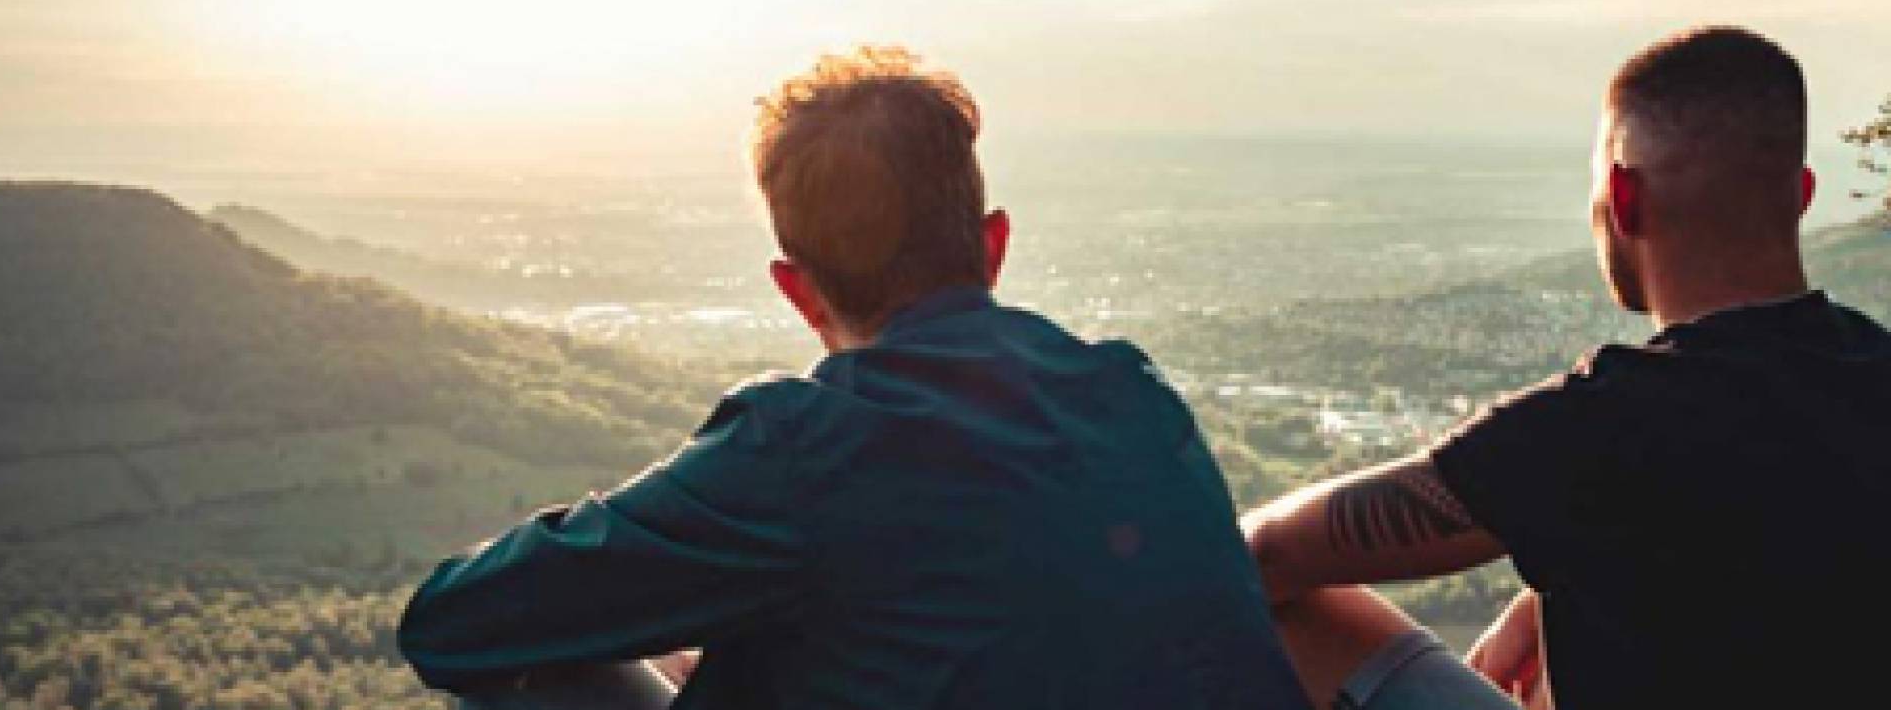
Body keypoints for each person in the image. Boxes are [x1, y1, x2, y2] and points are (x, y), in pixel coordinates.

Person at [395, 46, 1307, 710]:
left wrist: (669, 597)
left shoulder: (802, 449)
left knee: (532, 680)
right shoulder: (1134, 394)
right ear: (993, 245)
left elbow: (450, 625)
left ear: (796, 291)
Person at [1243, 26, 1891, 710]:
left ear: (1623, 197)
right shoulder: (1883, 371)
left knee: (1288, 612)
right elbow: (1752, 541)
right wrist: (1541, 591)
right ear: (1800, 196)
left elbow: (1267, 553)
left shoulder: (1611, 420)